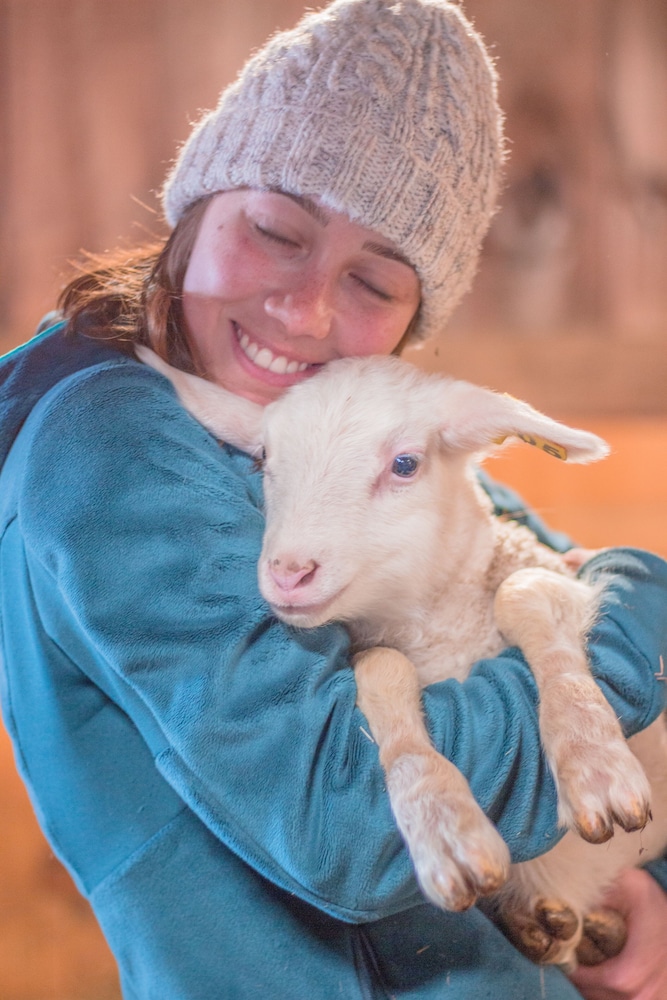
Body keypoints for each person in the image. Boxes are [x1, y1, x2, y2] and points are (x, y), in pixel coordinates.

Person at [0, 1, 665, 997]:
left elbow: (508, 564)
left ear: (413, 319)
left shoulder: (331, 421)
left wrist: (637, 880)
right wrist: (640, 614)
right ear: (198, 205)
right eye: (276, 230)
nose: (306, 310)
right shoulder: (115, 447)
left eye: (374, 282)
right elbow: (345, 819)